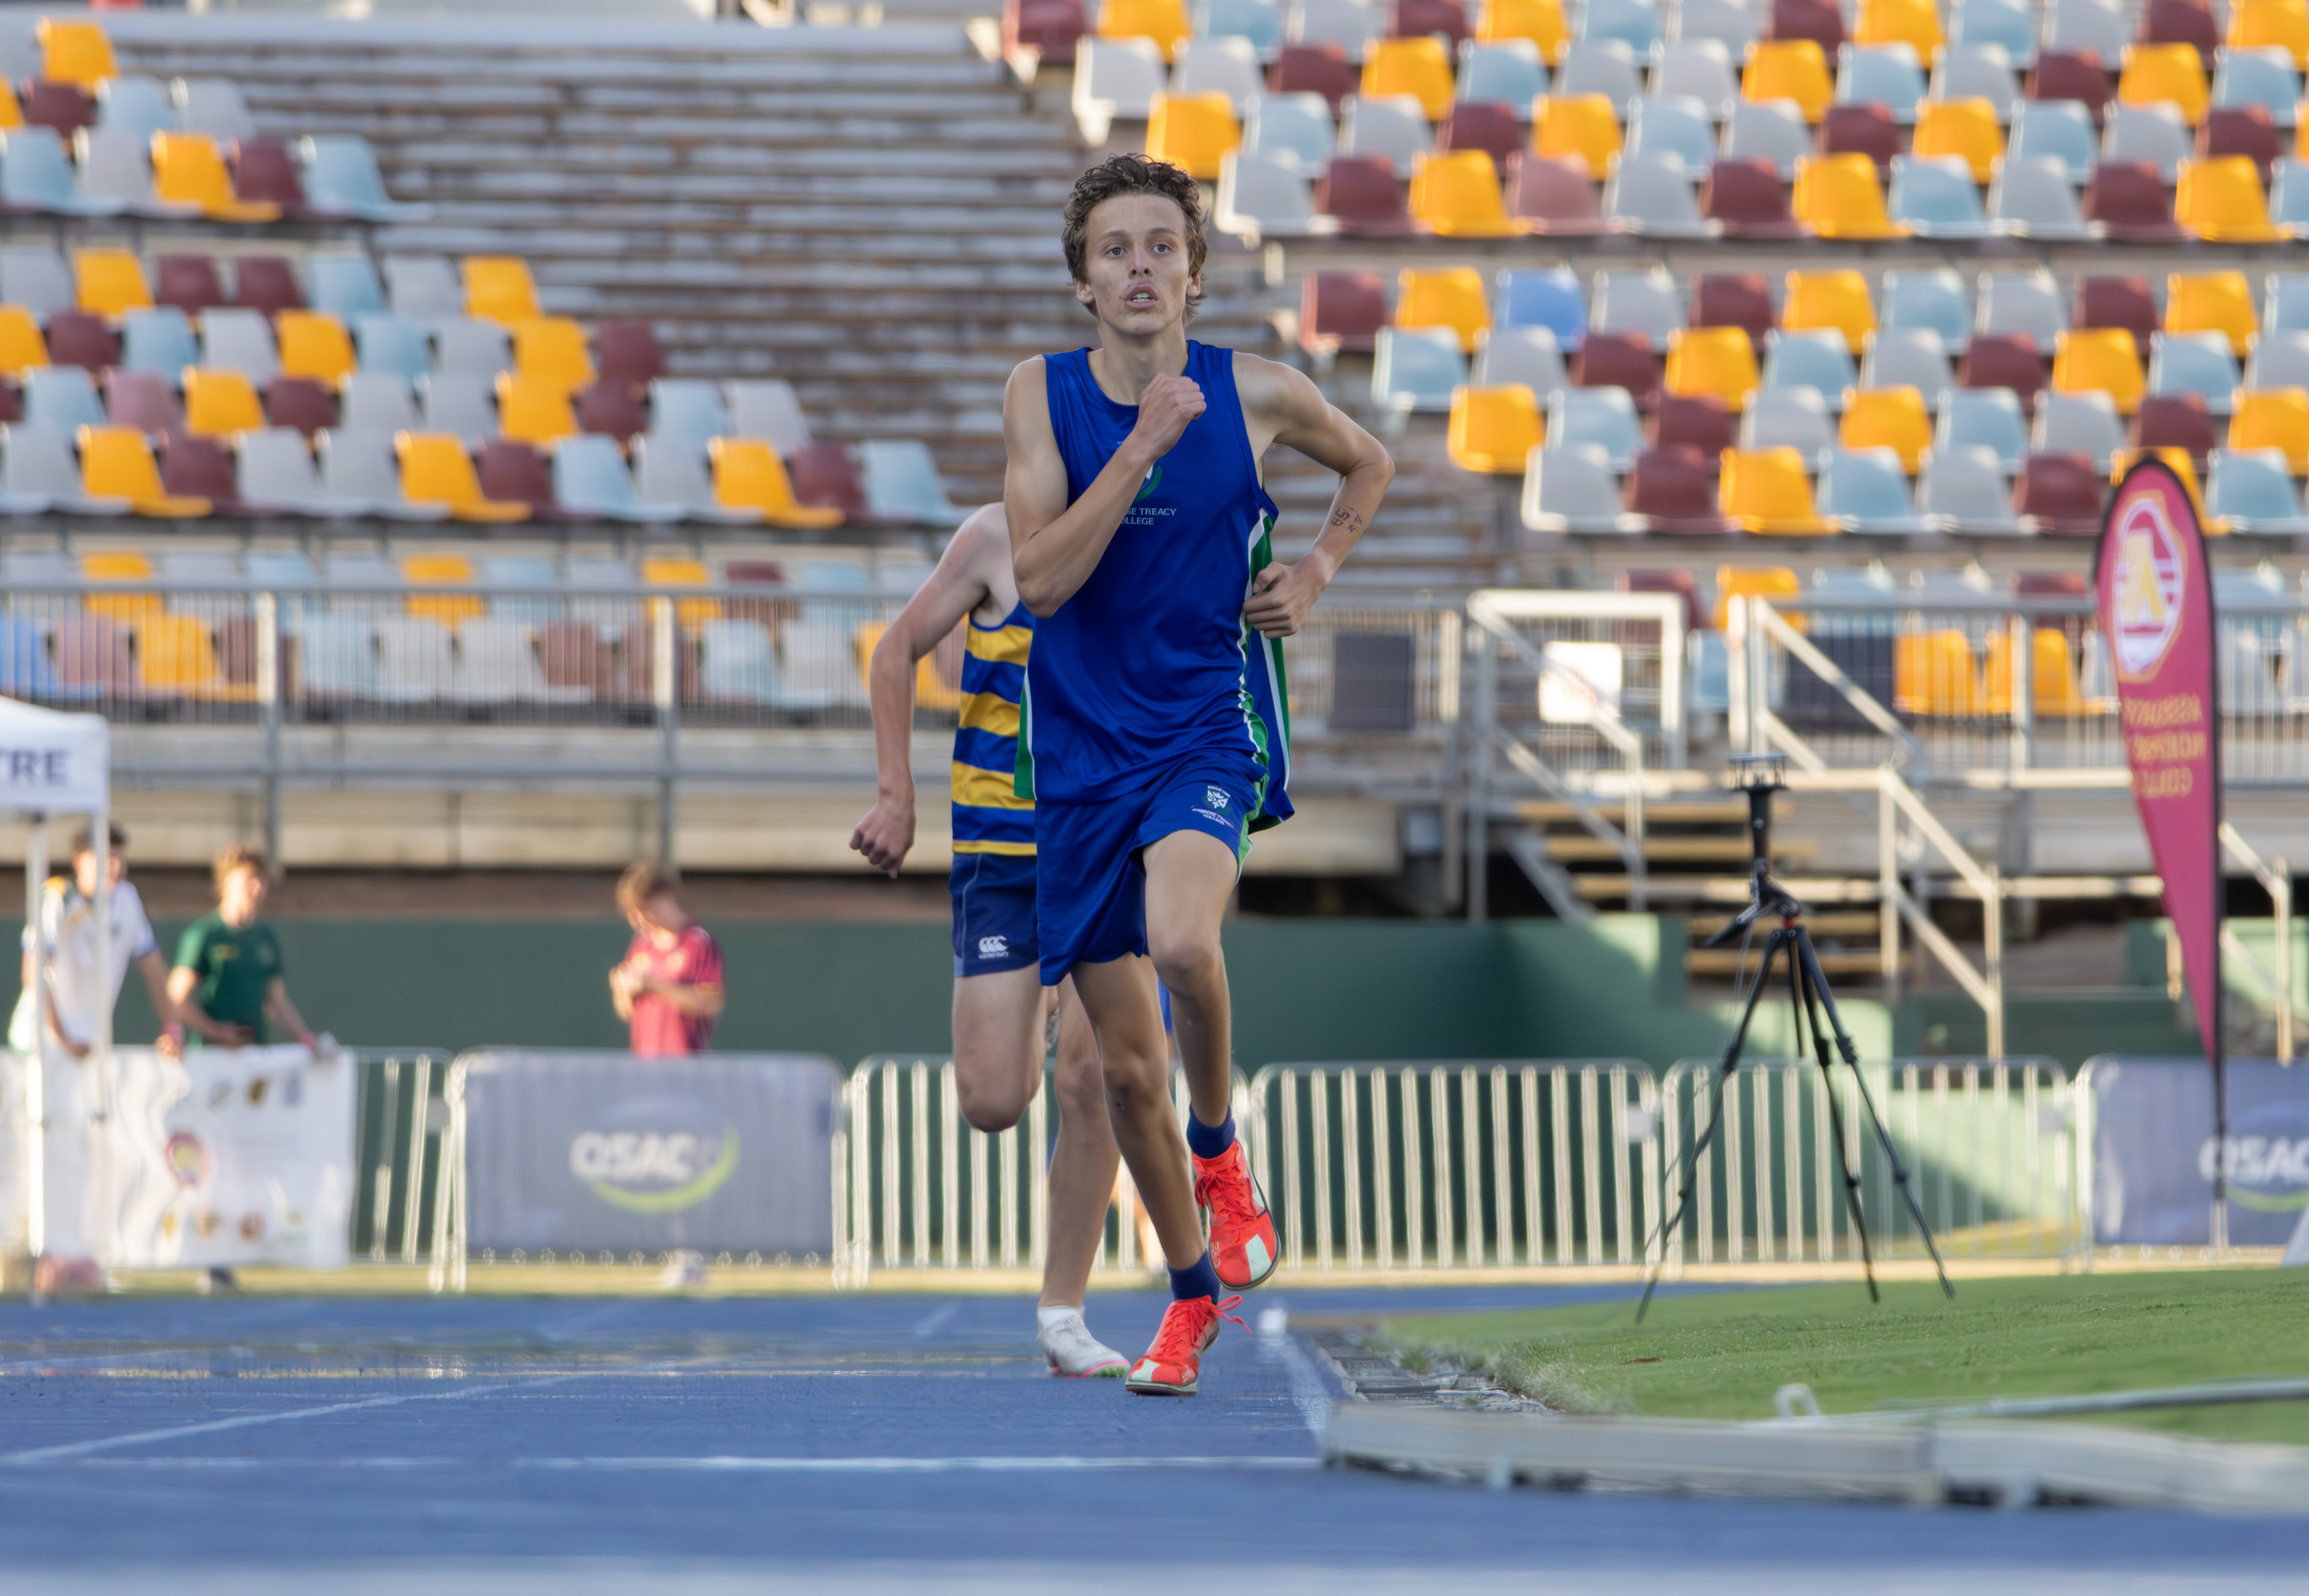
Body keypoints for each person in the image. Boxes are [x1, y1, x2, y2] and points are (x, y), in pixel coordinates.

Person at [1003, 154, 1392, 1395]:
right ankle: (1187, 1297)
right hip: (1077, 755)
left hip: (1199, 729)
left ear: (1195, 273)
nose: (1139, 268)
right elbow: (1040, 582)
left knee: (1183, 943)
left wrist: (1317, 569)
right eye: (1114, 250)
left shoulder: (1259, 392)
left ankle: (1222, 1154)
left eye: (1161, 246)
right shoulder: (1039, 396)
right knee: (1121, 1074)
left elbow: (1369, 464)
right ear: (1082, 283)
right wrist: (1139, 449)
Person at [850, 502, 1130, 1377]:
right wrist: (896, 796)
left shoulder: (1153, 525)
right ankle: (1039, 995)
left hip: (1105, 845)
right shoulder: (992, 537)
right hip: (999, 852)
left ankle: (1062, 1312)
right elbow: (893, 650)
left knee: (1091, 1079)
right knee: (992, 1101)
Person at [9, 822, 180, 1293]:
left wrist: (172, 1028)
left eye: (119, 857)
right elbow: (33, 972)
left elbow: (154, 968)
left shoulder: (127, 901)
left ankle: (77, 1253)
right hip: (42, 1048)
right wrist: (62, 1036)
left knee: (89, 1149)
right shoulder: (58, 899)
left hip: (89, 1053)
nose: (115, 866)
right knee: (40, 1148)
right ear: (80, 861)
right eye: (104, 856)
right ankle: (38, 1254)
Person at [169, 843, 320, 1052]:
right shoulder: (204, 935)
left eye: (262, 880)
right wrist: (218, 1032)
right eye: (249, 879)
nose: (257, 888)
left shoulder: (266, 938)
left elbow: (276, 1003)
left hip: (254, 1057)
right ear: (225, 882)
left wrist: (308, 1040)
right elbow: (177, 1000)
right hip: (212, 1057)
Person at [608, 862, 726, 1057]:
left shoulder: (699, 942)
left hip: (688, 1063)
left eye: (643, 910)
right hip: (645, 1063)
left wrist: (654, 985)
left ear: (666, 898)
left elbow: (711, 1004)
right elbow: (627, 1012)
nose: (638, 921)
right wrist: (622, 990)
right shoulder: (641, 945)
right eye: (632, 914)